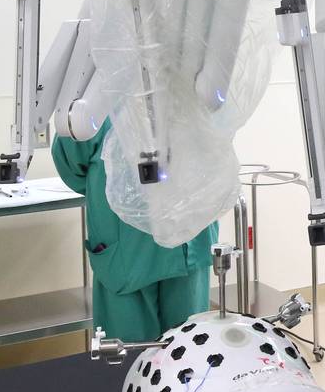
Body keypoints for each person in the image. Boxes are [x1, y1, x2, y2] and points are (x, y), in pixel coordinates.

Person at [52, 121, 215, 343]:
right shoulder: (95, 103)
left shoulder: (192, 91)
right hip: (133, 252)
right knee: (128, 357)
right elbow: (71, 160)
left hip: (173, 244)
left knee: (186, 353)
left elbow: (215, 149)